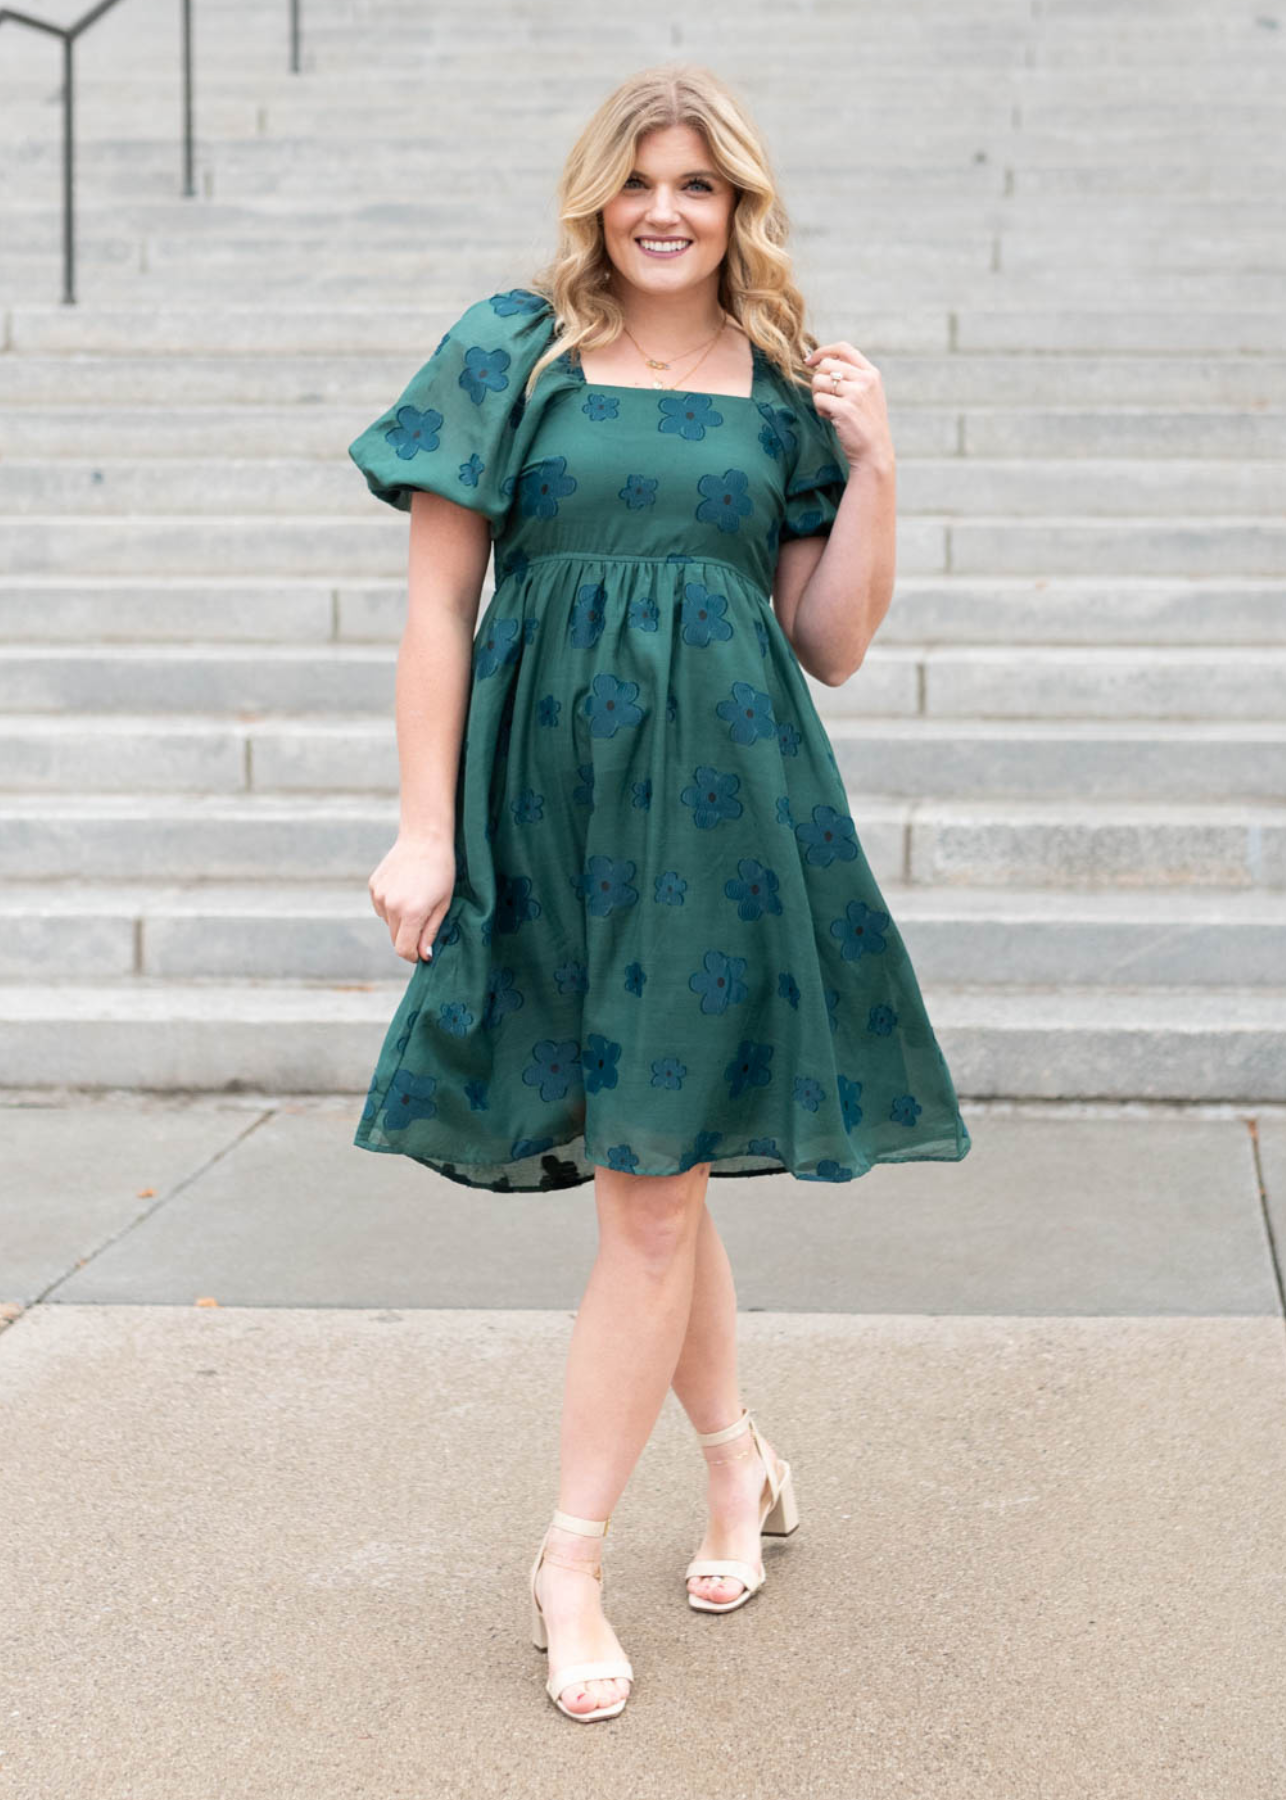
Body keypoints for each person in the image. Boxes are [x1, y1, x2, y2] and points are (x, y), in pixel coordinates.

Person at [346, 64, 972, 1723]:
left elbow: (827, 639)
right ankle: (734, 1458)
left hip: (725, 818)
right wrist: (426, 828)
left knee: (654, 1179)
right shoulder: (512, 351)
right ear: (597, 195)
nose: (666, 209)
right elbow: (434, 616)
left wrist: (879, 465)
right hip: (544, 809)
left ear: (737, 204)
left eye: (698, 184)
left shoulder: (781, 389)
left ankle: (564, 1554)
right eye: (640, 180)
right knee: (655, 1170)